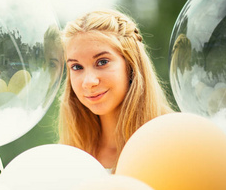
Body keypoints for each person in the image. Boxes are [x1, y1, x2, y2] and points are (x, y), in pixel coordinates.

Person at [58, 9, 173, 173]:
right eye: (76, 67)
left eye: (102, 62)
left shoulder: (174, 139)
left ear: (131, 64)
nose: (89, 82)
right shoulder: (68, 155)